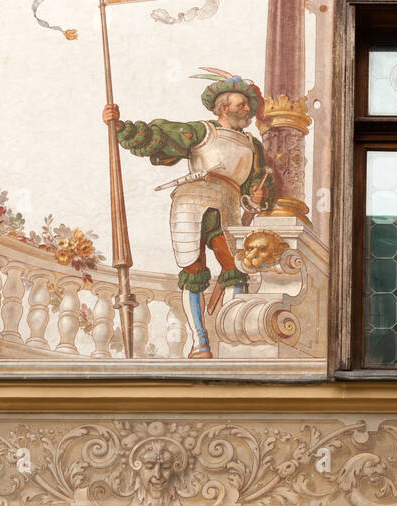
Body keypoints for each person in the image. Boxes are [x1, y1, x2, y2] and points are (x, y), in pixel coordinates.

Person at [103, 70, 277, 358]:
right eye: (240, 104)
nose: (246, 109)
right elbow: (159, 135)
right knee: (193, 269)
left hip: (230, 207)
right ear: (223, 108)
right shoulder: (202, 131)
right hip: (193, 201)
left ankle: (230, 338)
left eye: (247, 105)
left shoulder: (252, 145)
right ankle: (200, 343)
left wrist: (259, 196)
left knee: (236, 269)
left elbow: (257, 185)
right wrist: (119, 125)